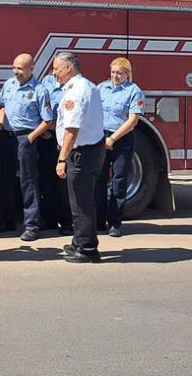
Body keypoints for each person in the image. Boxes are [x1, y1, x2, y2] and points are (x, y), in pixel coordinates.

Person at [53, 51, 106, 264]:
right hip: (90, 150)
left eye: (56, 68)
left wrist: (62, 158)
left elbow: (72, 129)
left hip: (81, 153)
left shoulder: (75, 91)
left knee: (80, 202)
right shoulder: (86, 85)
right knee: (80, 199)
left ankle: (88, 249)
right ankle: (79, 240)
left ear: (68, 68)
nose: (54, 72)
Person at [0, 54, 53, 242]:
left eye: (20, 68)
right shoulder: (9, 84)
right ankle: (6, 221)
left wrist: (31, 137)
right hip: (8, 136)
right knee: (5, 179)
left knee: (28, 181)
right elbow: (1, 105)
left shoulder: (40, 90)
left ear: (31, 69)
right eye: (14, 67)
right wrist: (2, 124)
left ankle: (32, 225)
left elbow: (48, 120)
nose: (16, 72)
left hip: (26, 137)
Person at [96, 58, 145, 238]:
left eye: (119, 73)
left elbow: (132, 121)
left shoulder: (134, 92)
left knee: (118, 181)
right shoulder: (101, 88)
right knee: (99, 180)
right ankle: (98, 220)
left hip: (122, 139)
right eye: (113, 72)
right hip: (101, 137)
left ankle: (115, 222)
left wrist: (113, 138)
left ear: (127, 74)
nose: (115, 76)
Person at [38, 73, 73, 236]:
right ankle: (48, 219)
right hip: (46, 136)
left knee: (63, 183)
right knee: (45, 180)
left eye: (57, 68)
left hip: (62, 138)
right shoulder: (47, 81)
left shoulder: (73, 86)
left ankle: (66, 222)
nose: (54, 72)